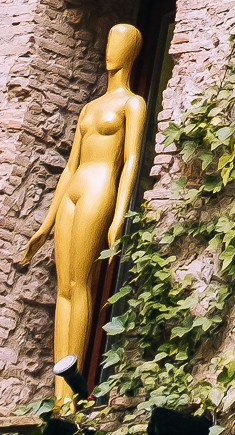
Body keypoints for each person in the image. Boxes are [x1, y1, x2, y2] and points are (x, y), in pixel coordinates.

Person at [21, 23, 148, 408]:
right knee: (62, 291)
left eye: (119, 42)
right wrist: (45, 223)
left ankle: (73, 393)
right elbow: (69, 167)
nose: (110, 48)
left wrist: (119, 214)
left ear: (132, 51)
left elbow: (131, 161)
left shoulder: (133, 104)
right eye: (108, 39)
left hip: (100, 188)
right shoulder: (90, 107)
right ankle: (59, 390)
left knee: (81, 286)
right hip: (74, 190)